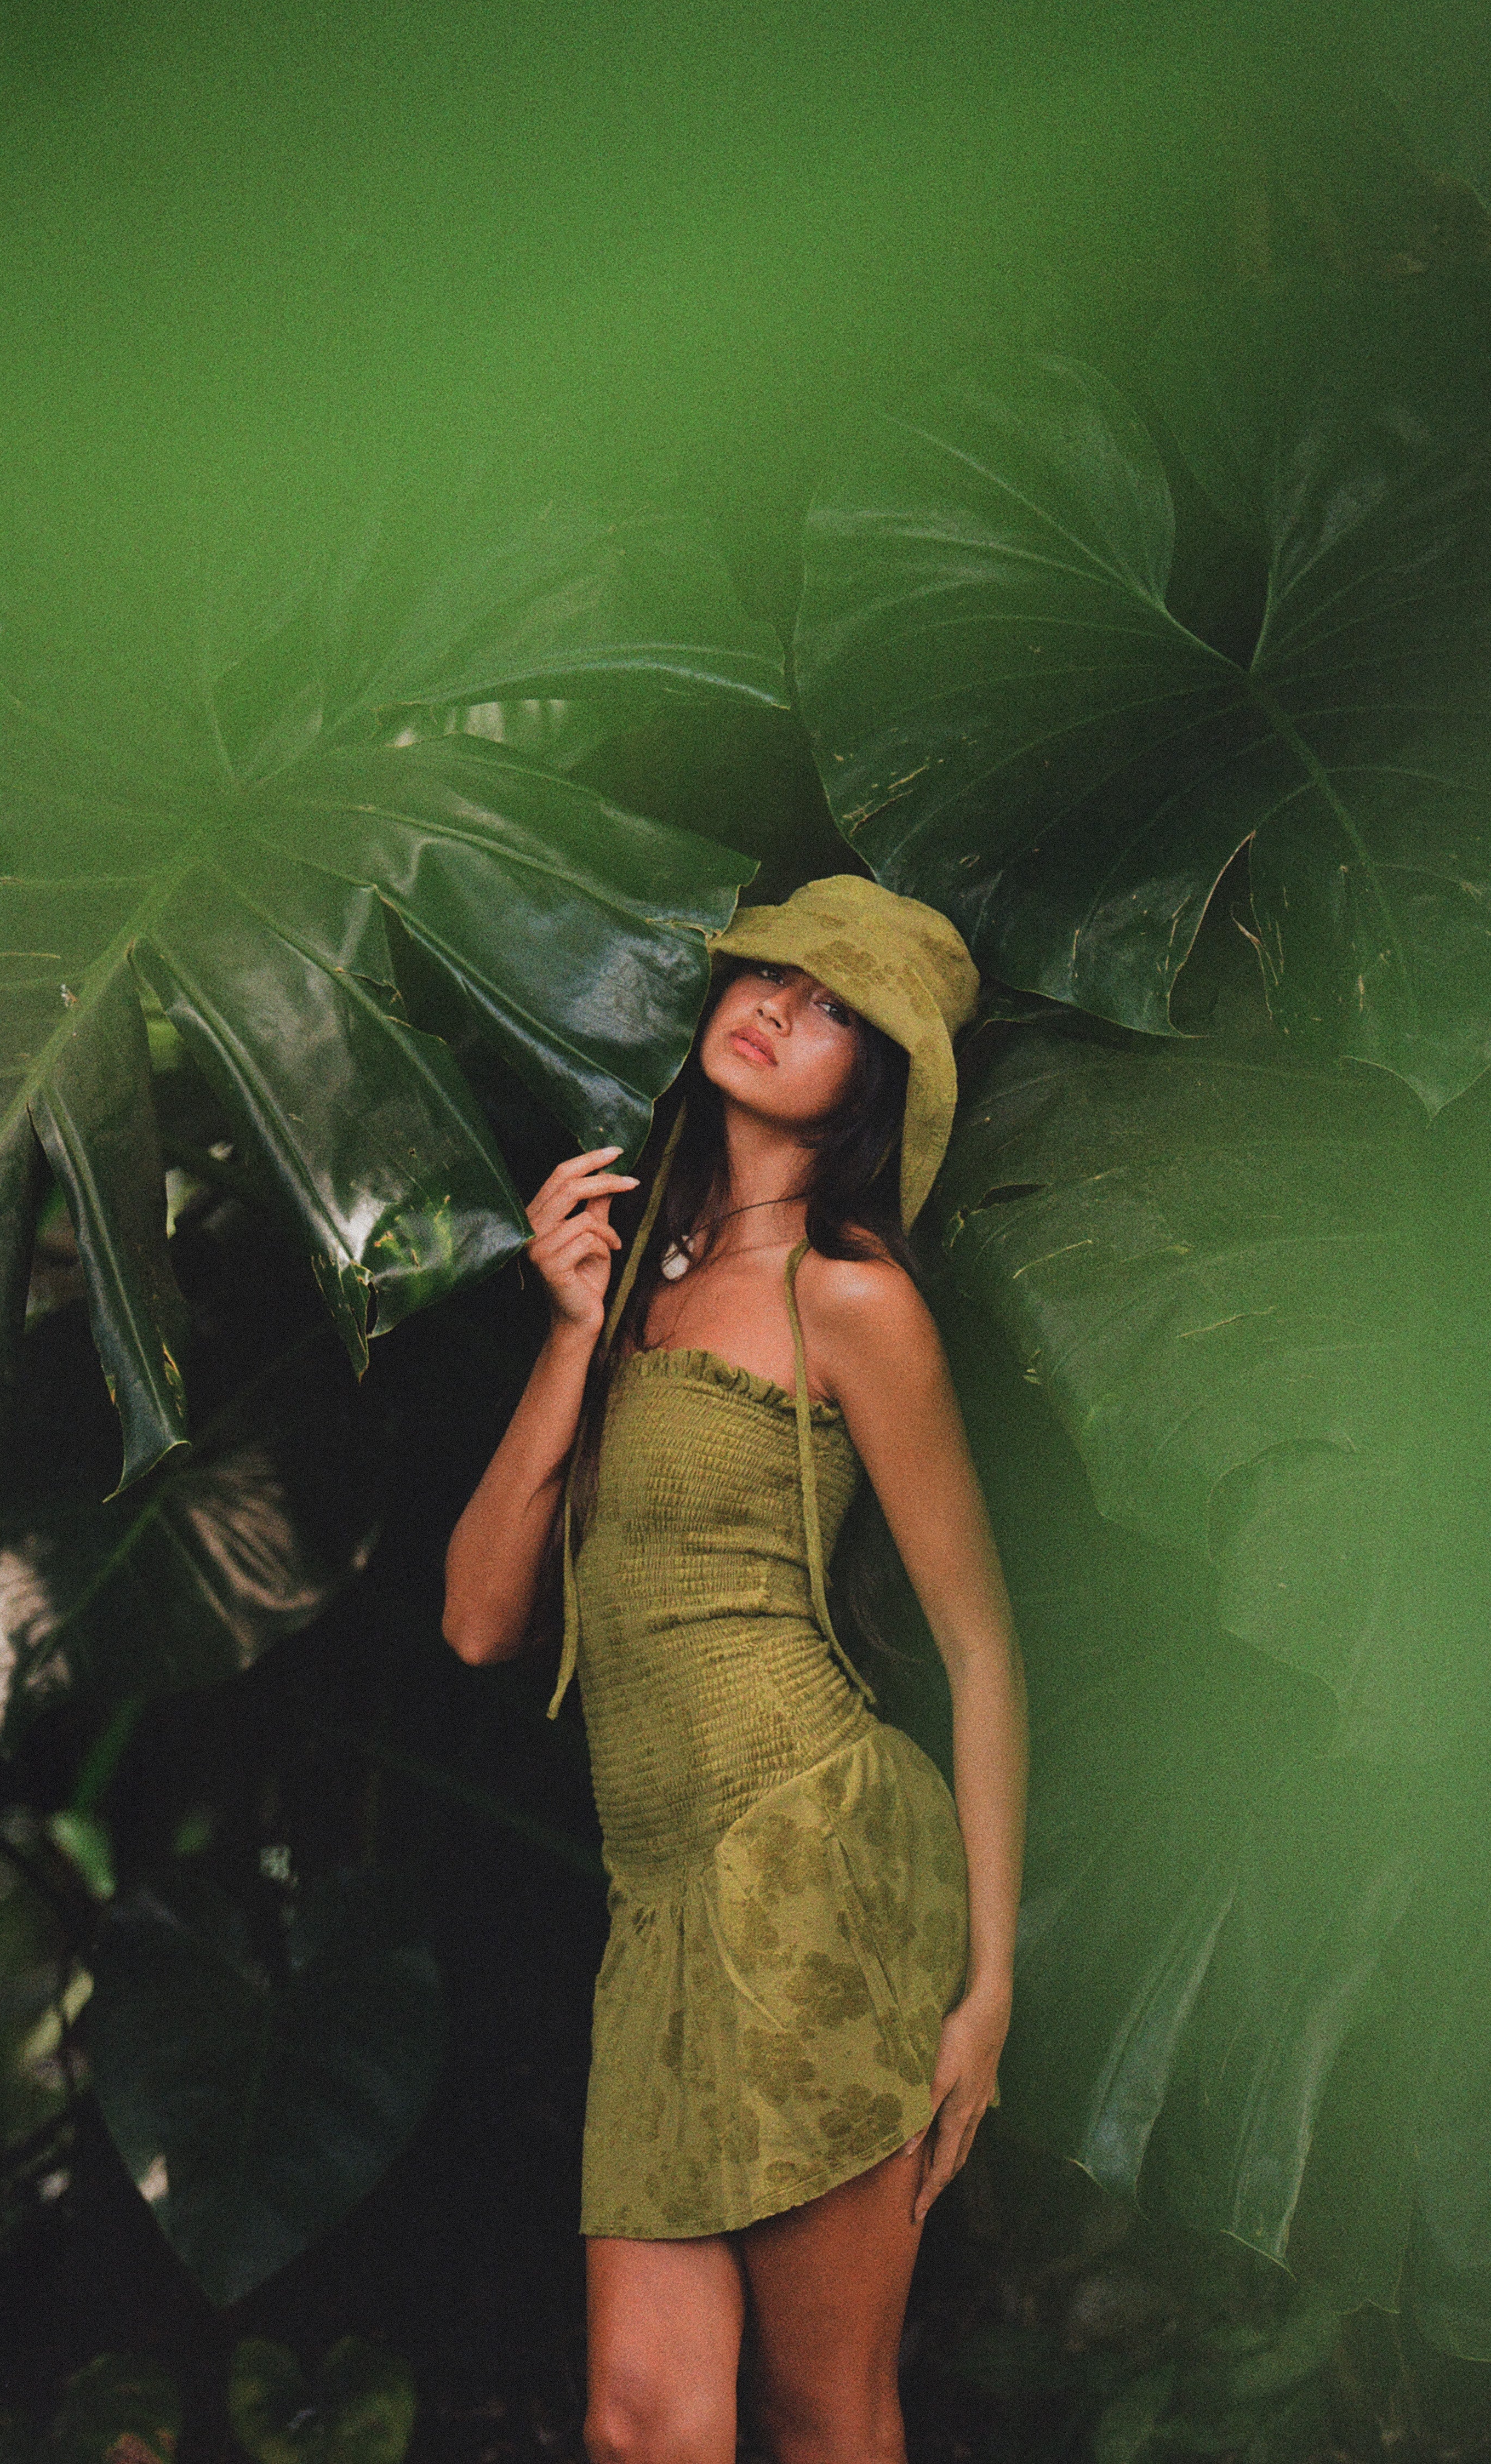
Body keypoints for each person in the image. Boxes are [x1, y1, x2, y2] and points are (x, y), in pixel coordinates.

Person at [443, 876, 1027, 2464]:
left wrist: (987, 1983)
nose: (780, 1007)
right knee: (644, 2425)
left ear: (876, 1083)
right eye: (770, 973)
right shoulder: (622, 1289)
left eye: (838, 1008)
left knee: (822, 2411)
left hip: (814, 1862)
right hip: (658, 1905)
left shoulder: (851, 1302)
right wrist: (568, 1330)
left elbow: (979, 1645)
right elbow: (480, 1621)